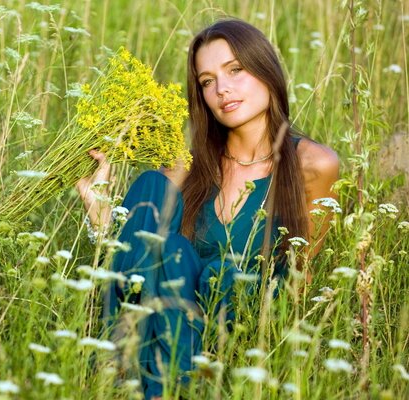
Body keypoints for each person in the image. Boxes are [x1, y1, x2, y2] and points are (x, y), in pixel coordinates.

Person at [77, 19, 339, 399]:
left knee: (223, 271)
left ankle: (148, 377)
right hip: (169, 319)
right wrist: (100, 210)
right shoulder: (189, 165)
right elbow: (141, 259)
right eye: (207, 81)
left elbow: (302, 280)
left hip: (239, 323)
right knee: (155, 196)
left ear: (266, 69)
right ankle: (143, 371)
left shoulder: (313, 164)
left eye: (235, 70)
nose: (222, 89)